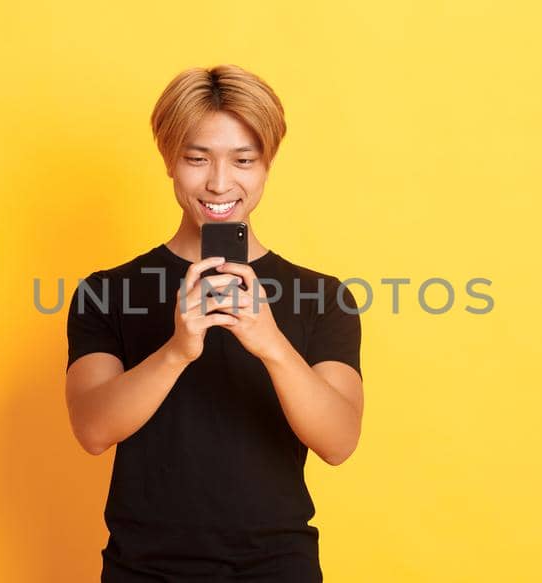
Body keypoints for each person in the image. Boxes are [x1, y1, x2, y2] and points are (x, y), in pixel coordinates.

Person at [64, 64, 365, 582]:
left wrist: (269, 342)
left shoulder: (323, 296)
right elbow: (92, 430)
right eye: (197, 159)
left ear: (267, 164)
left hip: (278, 567)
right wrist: (178, 348)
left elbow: (339, 442)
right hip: (144, 568)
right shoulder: (106, 291)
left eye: (243, 160)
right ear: (169, 161)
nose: (220, 183)